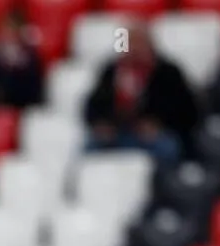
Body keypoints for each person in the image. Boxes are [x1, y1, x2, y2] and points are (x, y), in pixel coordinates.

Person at [82, 18, 199, 168]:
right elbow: (93, 105)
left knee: (168, 147)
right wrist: (102, 124)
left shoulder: (168, 72)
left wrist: (159, 124)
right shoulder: (111, 70)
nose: (133, 48)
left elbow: (187, 111)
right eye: (129, 42)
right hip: (117, 134)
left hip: (154, 137)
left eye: (138, 42)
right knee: (88, 146)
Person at [0, 9, 44, 109]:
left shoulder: (30, 60)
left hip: (22, 108)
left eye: (14, 29)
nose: (9, 34)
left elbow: (34, 92)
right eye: (7, 28)